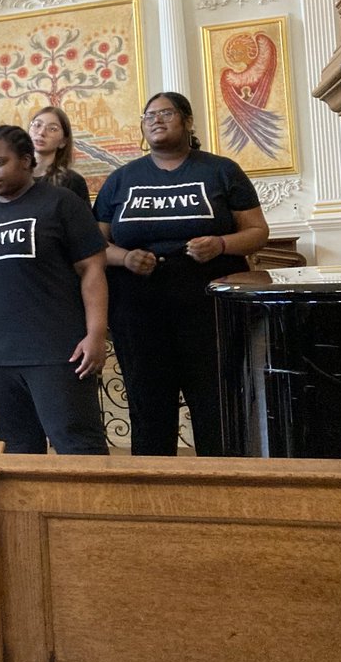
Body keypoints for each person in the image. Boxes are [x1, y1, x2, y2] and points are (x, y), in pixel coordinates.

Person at [93, 92, 269, 456]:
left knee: (213, 398)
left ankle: (220, 483)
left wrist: (220, 244)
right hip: (138, 308)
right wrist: (125, 258)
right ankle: (155, 488)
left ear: (188, 121)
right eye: (149, 116)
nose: (156, 120)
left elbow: (257, 231)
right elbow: (95, 247)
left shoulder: (221, 170)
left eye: (166, 113)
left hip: (207, 306)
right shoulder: (121, 179)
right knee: (147, 399)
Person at [0, 126, 110, 456]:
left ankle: (85, 510)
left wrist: (95, 334)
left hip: (56, 353)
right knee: (18, 448)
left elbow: (92, 270)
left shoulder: (60, 203)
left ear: (26, 161)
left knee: (77, 444)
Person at [29, 105, 90, 203]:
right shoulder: (11, 177)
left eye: (52, 129)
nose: (41, 133)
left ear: (63, 142)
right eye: (37, 125)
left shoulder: (73, 182)